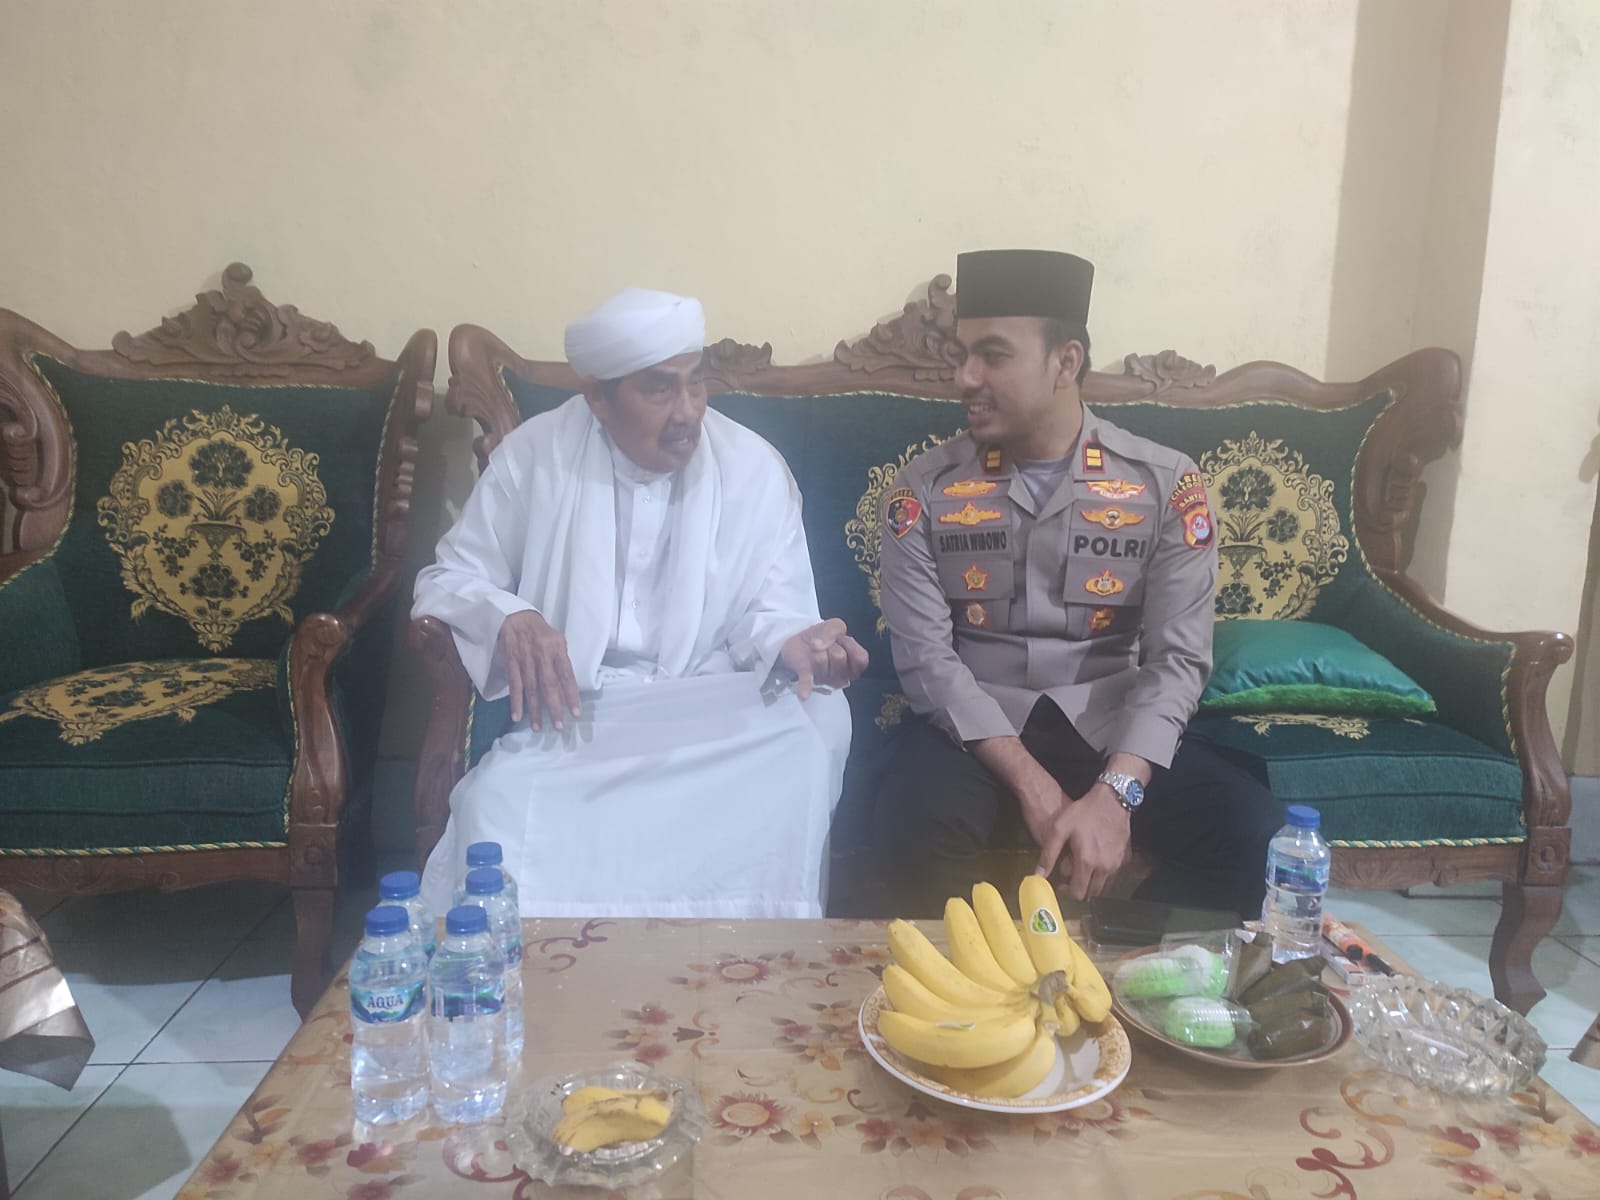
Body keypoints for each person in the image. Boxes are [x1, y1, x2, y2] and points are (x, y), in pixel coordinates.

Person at [414, 287, 867, 919]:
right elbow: (446, 580)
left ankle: (743, 958)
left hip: (711, 710)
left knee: (818, 721)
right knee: (494, 809)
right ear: (597, 397)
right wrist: (510, 617)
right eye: (660, 389)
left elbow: (774, 612)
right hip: (579, 717)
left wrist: (798, 643)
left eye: (696, 383)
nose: (688, 412)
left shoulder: (755, 470)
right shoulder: (534, 459)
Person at [870, 249, 1281, 918]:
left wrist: (1116, 794)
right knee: (911, 820)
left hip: (1107, 723)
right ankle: (971, 978)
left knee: (1251, 834)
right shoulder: (924, 489)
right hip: (975, 729)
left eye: (992, 355)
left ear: (1066, 363)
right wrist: (1034, 786)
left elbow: (1177, 660)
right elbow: (926, 660)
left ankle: (1121, 960)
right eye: (962, 355)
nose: (965, 377)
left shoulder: (1164, 484)